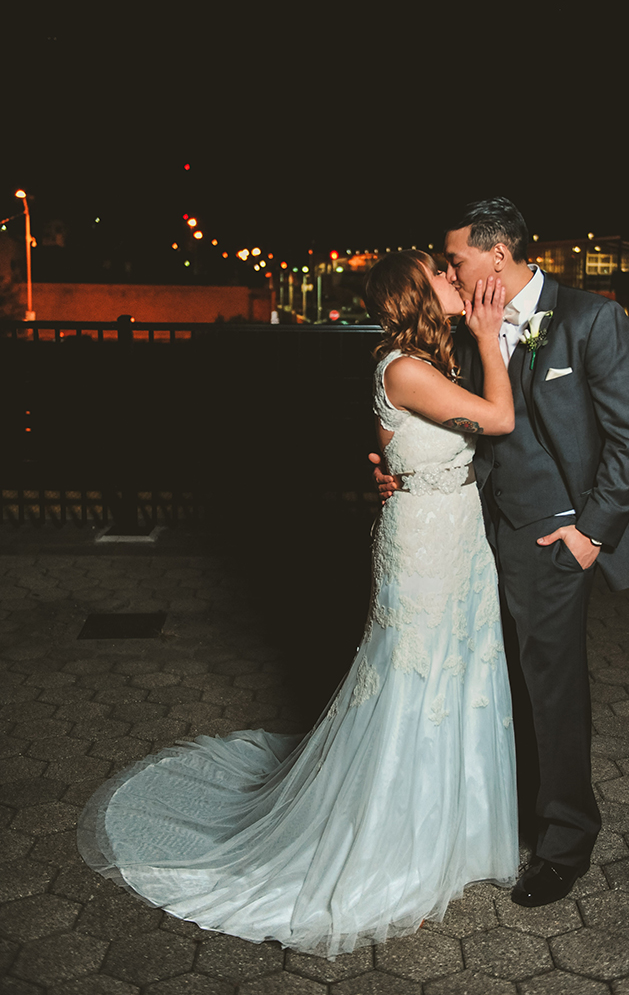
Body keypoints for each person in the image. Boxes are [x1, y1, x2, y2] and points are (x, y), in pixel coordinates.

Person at [78, 250, 519, 960]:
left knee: (456, 675)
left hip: (454, 534)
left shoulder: (421, 363)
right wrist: (492, 333)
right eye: (441, 274)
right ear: (416, 293)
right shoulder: (405, 368)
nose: (453, 280)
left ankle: (450, 834)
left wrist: (395, 466)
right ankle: (393, 852)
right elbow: (497, 419)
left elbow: (410, 446)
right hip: (427, 546)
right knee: (414, 684)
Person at [373, 198, 629, 908]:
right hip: (470, 533)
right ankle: (494, 817)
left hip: (551, 538)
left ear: (495, 255)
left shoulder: (592, 319)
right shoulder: (467, 329)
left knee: (550, 687)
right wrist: (398, 463)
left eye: (455, 260)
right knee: (488, 681)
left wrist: (590, 531)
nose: (449, 270)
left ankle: (562, 842)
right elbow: (434, 411)